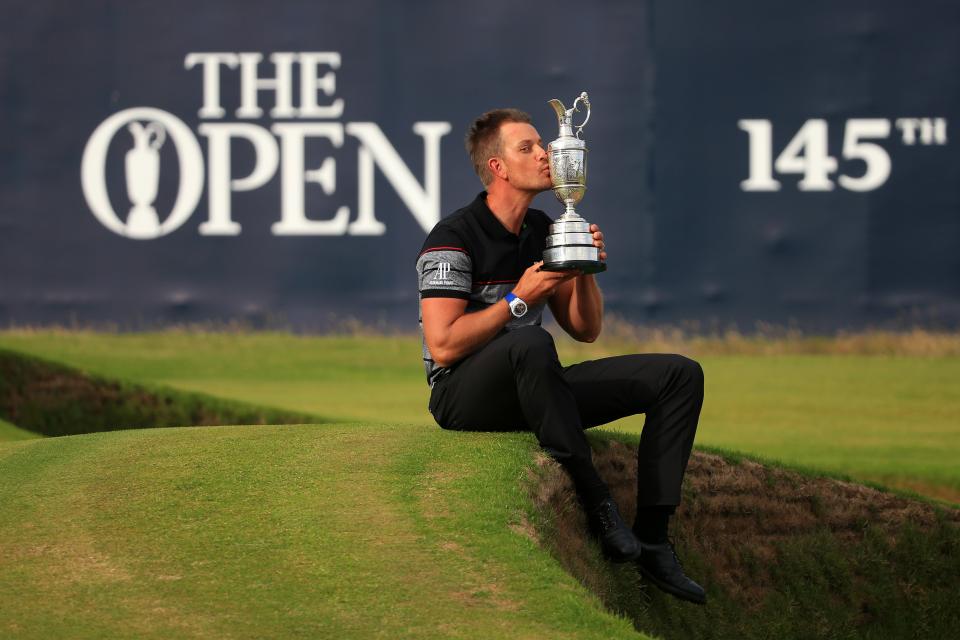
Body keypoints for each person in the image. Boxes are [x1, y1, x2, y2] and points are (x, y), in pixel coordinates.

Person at [415, 108, 706, 605]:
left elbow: (587, 330)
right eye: (527, 147)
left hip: (534, 385)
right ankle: (598, 502)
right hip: (463, 396)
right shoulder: (452, 237)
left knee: (679, 374)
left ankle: (654, 538)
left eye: (542, 145)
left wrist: (583, 266)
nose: (545, 154)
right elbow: (443, 345)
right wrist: (518, 299)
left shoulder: (546, 227)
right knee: (530, 341)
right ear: (498, 168)